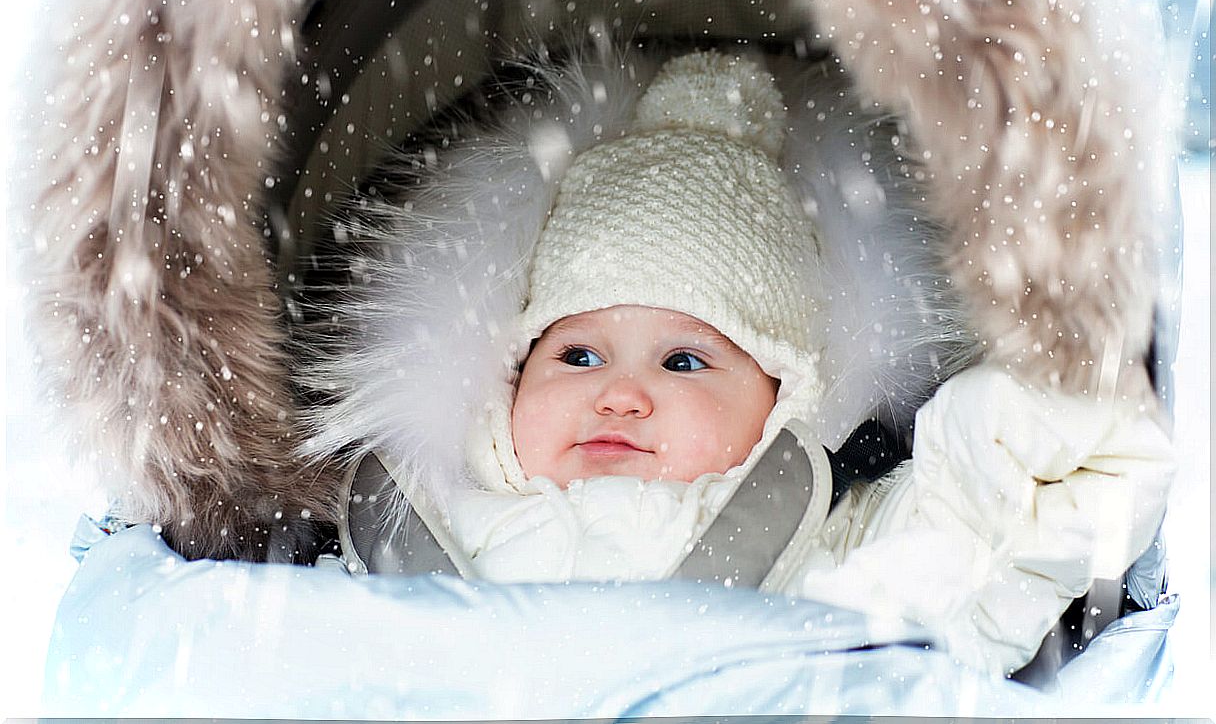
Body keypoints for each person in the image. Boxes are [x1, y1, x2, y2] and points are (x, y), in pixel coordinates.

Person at [345, 50, 1176, 678]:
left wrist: (1016, 419)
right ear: (509, 377)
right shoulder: (413, 526)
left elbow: (1067, 480)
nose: (620, 394)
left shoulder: (834, 547)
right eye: (578, 352)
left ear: (783, 401)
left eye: (683, 359)